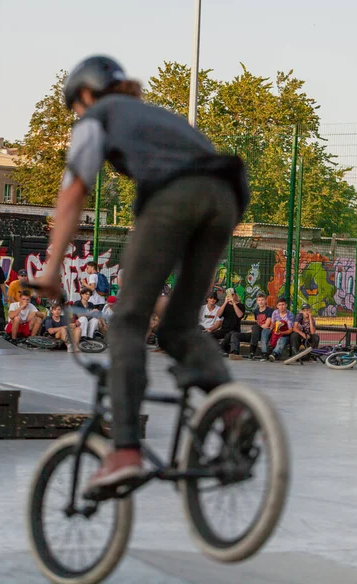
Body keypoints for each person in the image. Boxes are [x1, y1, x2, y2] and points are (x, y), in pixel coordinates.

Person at [35, 55, 249, 495]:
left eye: (75, 106)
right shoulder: (159, 117)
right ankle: (235, 413)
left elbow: (75, 189)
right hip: (227, 194)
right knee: (178, 328)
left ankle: (125, 451)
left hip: (174, 196)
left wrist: (53, 267)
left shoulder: (96, 116)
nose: (77, 115)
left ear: (87, 94)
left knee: (127, 324)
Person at [229, 292, 273, 361]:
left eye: (262, 300)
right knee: (235, 335)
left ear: (265, 301)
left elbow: (266, 325)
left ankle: (252, 352)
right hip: (255, 333)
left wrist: (254, 328)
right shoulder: (256, 311)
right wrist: (253, 329)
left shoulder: (269, 310)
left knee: (255, 328)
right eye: (259, 300)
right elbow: (257, 323)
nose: (261, 302)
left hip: (264, 333)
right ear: (257, 301)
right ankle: (235, 353)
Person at [211, 289, 246, 353]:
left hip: (235, 330)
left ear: (235, 295)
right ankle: (217, 349)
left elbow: (240, 315)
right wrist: (225, 303)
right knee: (210, 335)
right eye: (229, 295)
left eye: (232, 295)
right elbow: (218, 315)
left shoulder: (241, 305)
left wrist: (234, 303)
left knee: (229, 335)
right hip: (224, 329)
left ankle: (219, 350)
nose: (231, 296)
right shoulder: (225, 305)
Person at [269, 298, 294, 362]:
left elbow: (290, 330)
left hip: (286, 334)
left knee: (281, 339)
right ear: (277, 306)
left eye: (283, 305)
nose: (281, 307)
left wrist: (281, 332)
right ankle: (265, 352)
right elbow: (272, 323)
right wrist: (273, 327)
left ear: (286, 305)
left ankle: (275, 354)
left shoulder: (290, 315)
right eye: (279, 305)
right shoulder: (275, 313)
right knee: (266, 333)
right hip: (276, 332)